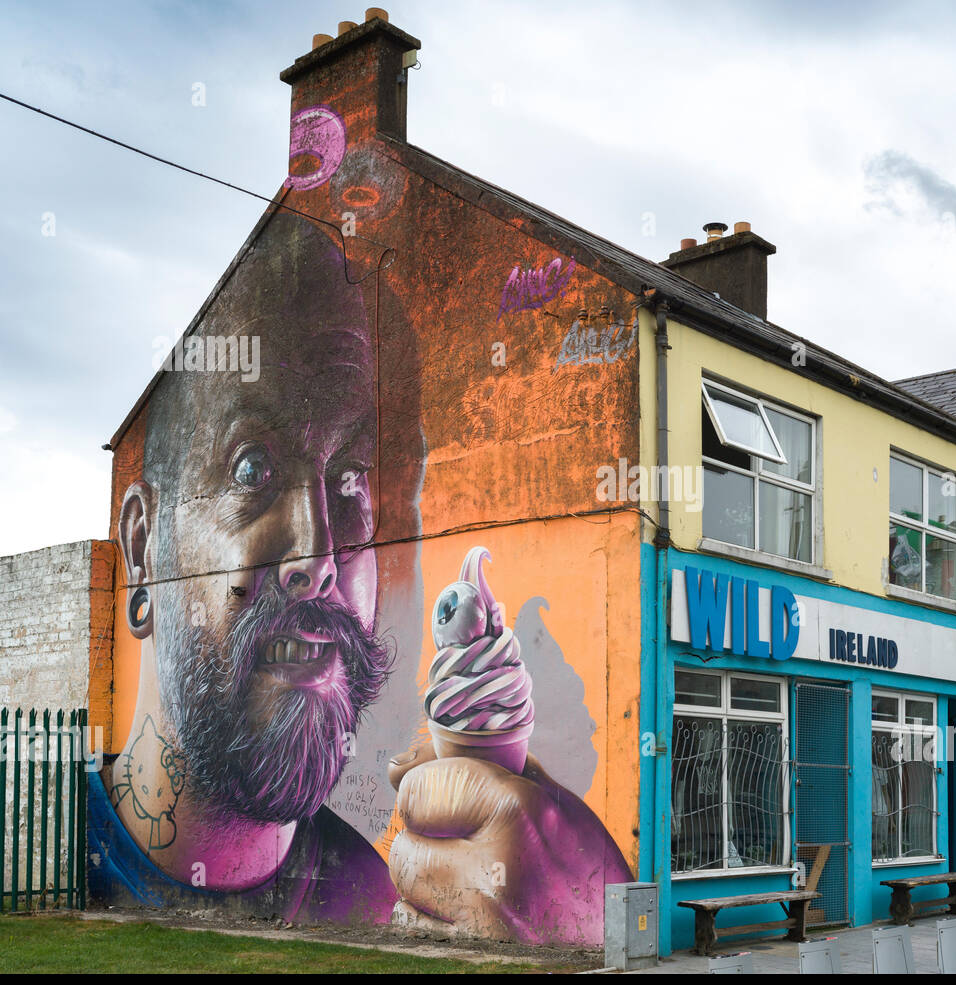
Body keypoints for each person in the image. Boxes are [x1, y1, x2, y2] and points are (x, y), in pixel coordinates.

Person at [91, 211, 629, 944]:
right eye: (253, 469)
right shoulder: (43, 855)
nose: (317, 559)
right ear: (143, 550)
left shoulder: (378, 899)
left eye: (349, 480)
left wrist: (591, 924)